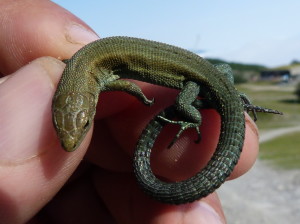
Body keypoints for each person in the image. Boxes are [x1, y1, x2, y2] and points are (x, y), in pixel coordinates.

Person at [0, 0, 259, 223]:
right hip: (215, 73)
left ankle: (199, 113)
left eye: (86, 121)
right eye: (60, 125)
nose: (71, 142)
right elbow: (127, 87)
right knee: (217, 82)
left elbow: (126, 86)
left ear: (91, 100)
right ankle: (225, 100)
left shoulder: (82, 69)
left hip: (195, 79)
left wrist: (149, 100)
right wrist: (143, 98)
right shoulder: (81, 67)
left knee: (183, 106)